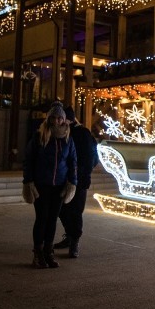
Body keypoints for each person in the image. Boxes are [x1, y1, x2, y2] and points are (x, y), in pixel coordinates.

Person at [22, 101, 77, 269]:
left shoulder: (67, 138)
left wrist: (72, 182)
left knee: (52, 219)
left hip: (59, 185)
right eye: (53, 117)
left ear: (64, 119)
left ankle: (48, 251)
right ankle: (38, 253)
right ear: (49, 118)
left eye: (60, 118)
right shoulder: (39, 136)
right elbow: (29, 160)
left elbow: (72, 161)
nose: (56, 121)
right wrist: (28, 181)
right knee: (42, 218)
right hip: (41, 185)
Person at [54, 106, 98, 258]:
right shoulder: (59, 132)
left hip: (78, 180)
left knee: (75, 211)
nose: (57, 121)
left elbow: (90, 158)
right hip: (62, 179)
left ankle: (74, 242)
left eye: (60, 118)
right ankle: (70, 237)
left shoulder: (81, 133)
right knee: (62, 210)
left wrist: (81, 175)